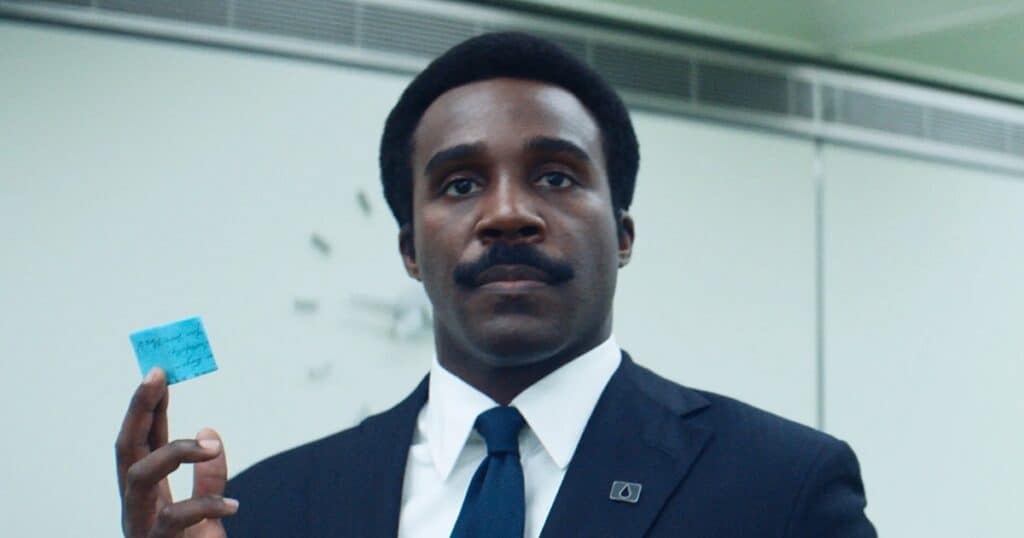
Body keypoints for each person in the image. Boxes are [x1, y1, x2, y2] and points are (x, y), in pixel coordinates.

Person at [115, 32, 876, 537]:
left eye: (556, 176)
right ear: (411, 251)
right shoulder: (269, 509)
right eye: (459, 184)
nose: (508, 213)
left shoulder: (781, 487)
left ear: (623, 235)